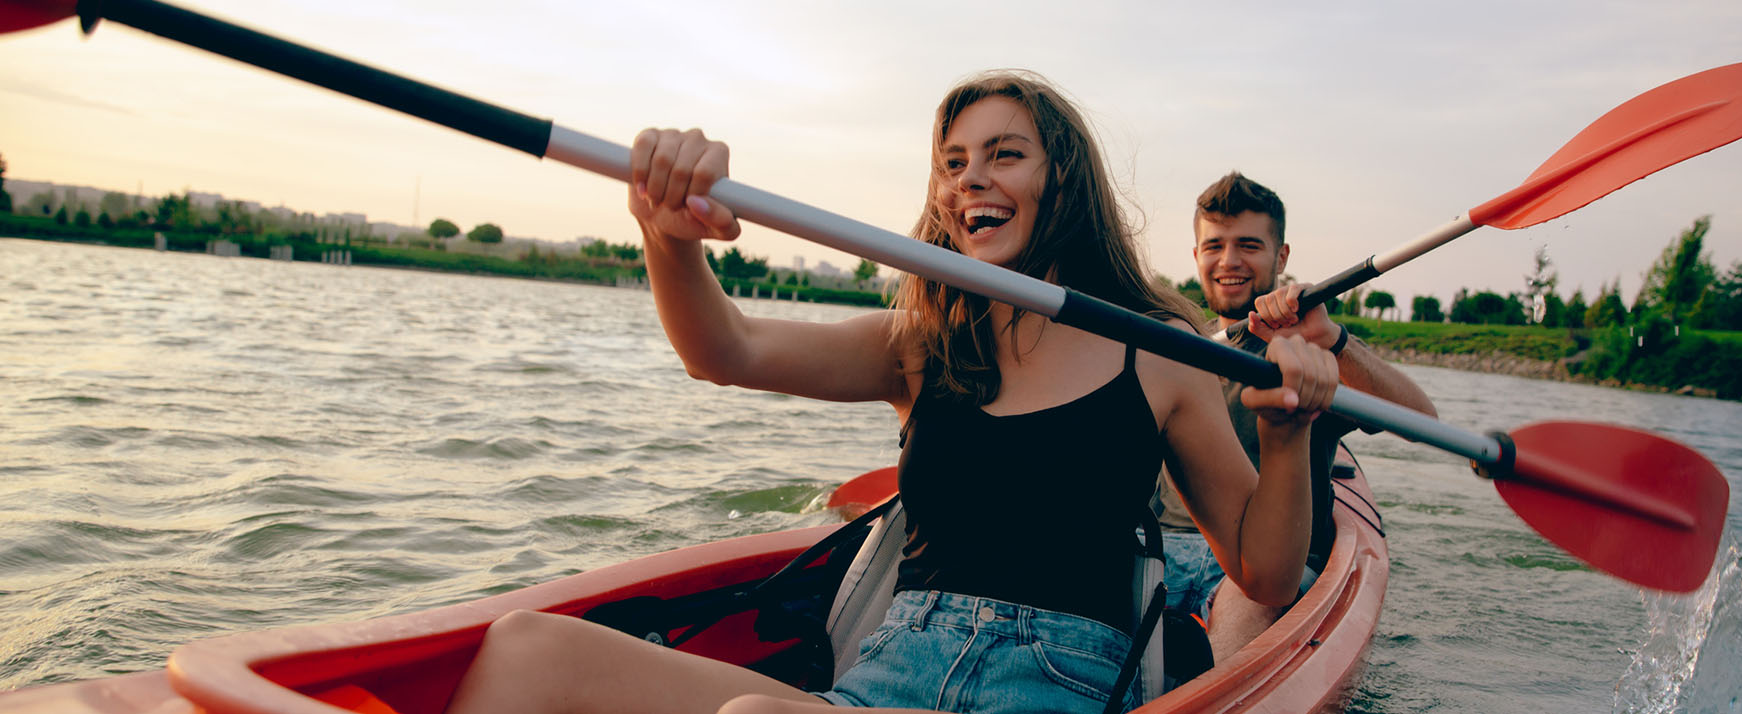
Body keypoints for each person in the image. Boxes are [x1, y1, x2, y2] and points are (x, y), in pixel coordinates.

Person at [441, 72, 1338, 714]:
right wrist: (668, 238)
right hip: (885, 676)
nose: (968, 179)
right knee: (530, 648)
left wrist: (1289, 435)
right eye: (952, 162)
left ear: (1060, 179)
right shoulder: (921, 345)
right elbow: (727, 348)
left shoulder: (1159, 348)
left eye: (1004, 154)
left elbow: (1262, 572)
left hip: (1055, 687)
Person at [1156, 171, 1436, 662]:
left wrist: (1334, 341)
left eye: (1248, 245)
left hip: (1261, 567)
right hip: (1161, 548)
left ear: (1281, 257)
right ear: (1196, 256)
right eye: (1214, 246)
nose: (1229, 262)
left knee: (1252, 606)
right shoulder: (1177, 345)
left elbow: (1423, 421)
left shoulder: (1311, 352)